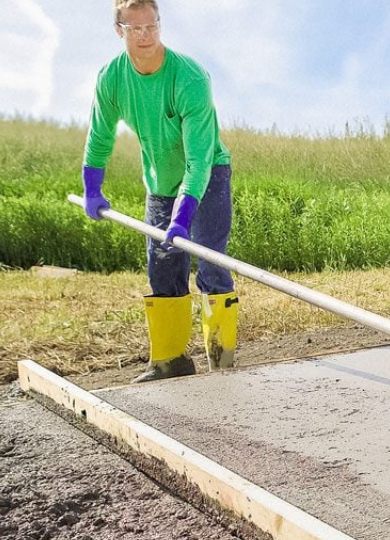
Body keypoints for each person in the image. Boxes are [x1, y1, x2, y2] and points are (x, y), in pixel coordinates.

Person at [81, 0, 238, 383]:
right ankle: (170, 362)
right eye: (135, 29)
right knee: (162, 268)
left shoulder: (189, 78)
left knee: (211, 262)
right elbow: (99, 136)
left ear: (159, 25)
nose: (145, 35)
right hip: (159, 183)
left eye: (152, 26)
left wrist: (183, 218)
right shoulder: (111, 79)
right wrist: (91, 189)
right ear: (119, 30)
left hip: (207, 176)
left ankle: (222, 361)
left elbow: (198, 160)